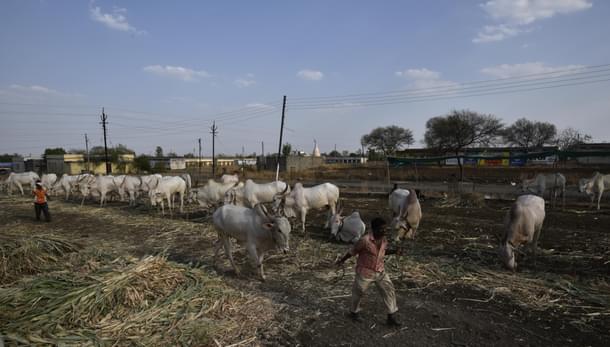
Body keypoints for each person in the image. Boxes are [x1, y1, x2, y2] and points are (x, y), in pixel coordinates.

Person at [336, 217, 401, 326]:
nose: (384, 231)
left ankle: (391, 316)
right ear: (374, 229)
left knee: (389, 290)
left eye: (385, 229)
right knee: (359, 292)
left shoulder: (384, 240)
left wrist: (395, 251)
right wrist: (342, 261)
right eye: (381, 229)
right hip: (365, 272)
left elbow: (382, 252)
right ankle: (353, 312)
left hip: (380, 271)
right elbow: (352, 251)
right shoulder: (364, 241)